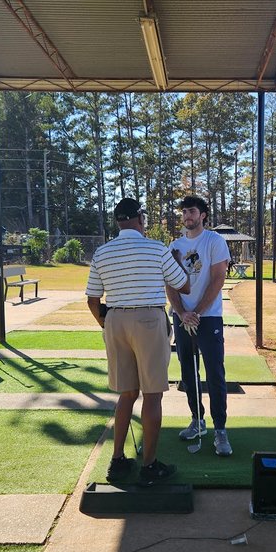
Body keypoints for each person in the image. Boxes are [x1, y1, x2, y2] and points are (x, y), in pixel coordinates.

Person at [86, 197, 190, 487]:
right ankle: (149, 465)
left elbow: (93, 299)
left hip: (115, 319)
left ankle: (117, 460)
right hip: (148, 320)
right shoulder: (157, 248)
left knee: (127, 393)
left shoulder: (102, 252)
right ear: (140, 219)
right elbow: (184, 285)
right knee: (152, 394)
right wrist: (177, 261)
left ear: (118, 222)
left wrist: (105, 324)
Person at [166, 195, 233, 456]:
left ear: (203, 215)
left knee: (214, 372)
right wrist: (182, 312)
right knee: (188, 372)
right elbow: (170, 284)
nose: (187, 216)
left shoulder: (214, 241)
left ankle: (220, 430)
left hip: (209, 317)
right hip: (183, 317)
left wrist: (197, 312)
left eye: (192, 211)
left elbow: (218, 279)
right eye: (184, 212)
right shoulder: (175, 246)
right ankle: (197, 420)